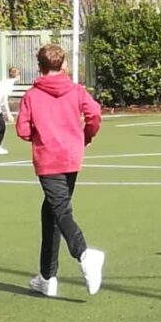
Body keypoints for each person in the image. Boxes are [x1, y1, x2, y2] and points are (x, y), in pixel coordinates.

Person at [15, 44, 105, 298]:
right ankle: (47, 276)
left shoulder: (32, 95)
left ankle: (84, 254)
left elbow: (22, 130)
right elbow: (95, 113)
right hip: (71, 156)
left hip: (49, 158)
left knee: (60, 210)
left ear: (39, 67)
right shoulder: (76, 91)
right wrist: (85, 135)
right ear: (64, 65)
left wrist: (40, 134)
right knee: (51, 212)